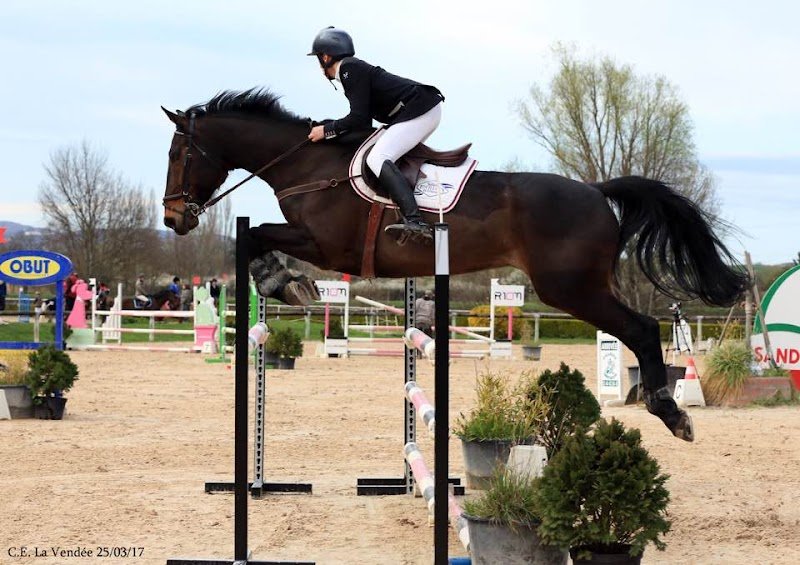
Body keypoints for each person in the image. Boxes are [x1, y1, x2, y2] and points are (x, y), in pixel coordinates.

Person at [307, 26, 444, 241]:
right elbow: (361, 125)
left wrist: (326, 130)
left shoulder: (348, 69)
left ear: (325, 57)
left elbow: (358, 119)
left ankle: (415, 221)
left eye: (318, 59)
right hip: (420, 109)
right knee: (386, 156)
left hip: (420, 109)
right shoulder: (351, 70)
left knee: (377, 157)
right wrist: (331, 129)